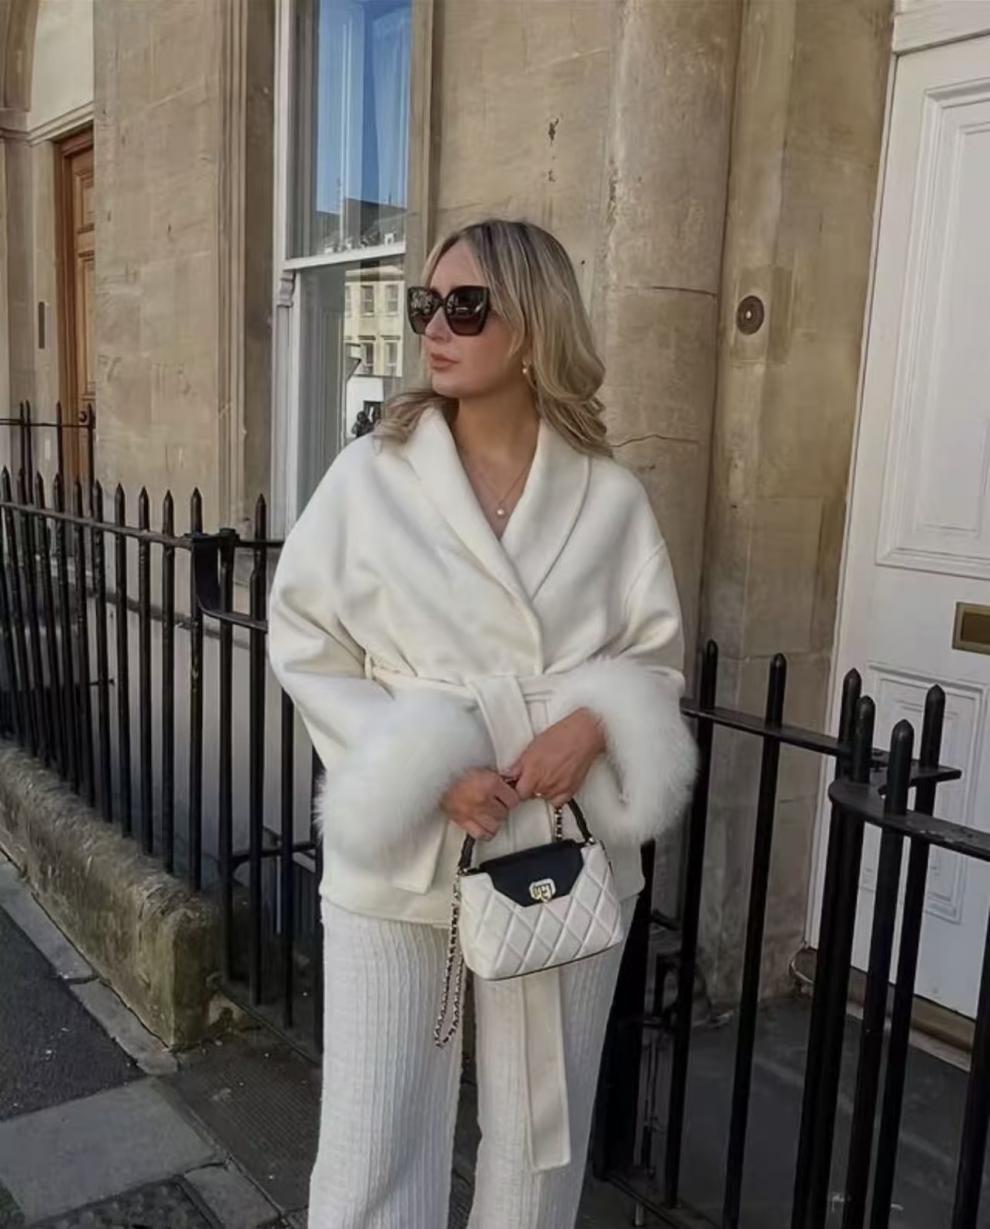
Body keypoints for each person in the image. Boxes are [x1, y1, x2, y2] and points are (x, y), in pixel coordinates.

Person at [267, 218, 699, 1229]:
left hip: (560, 836)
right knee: (374, 1132)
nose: (434, 326)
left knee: (544, 1133)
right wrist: (428, 769)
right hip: (409, 837)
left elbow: (655, 655)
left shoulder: (609, 495)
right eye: (427, 304)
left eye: (466, 306)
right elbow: (304, 637)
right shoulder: (371, 475)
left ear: (534, 326)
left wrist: (593, 723)